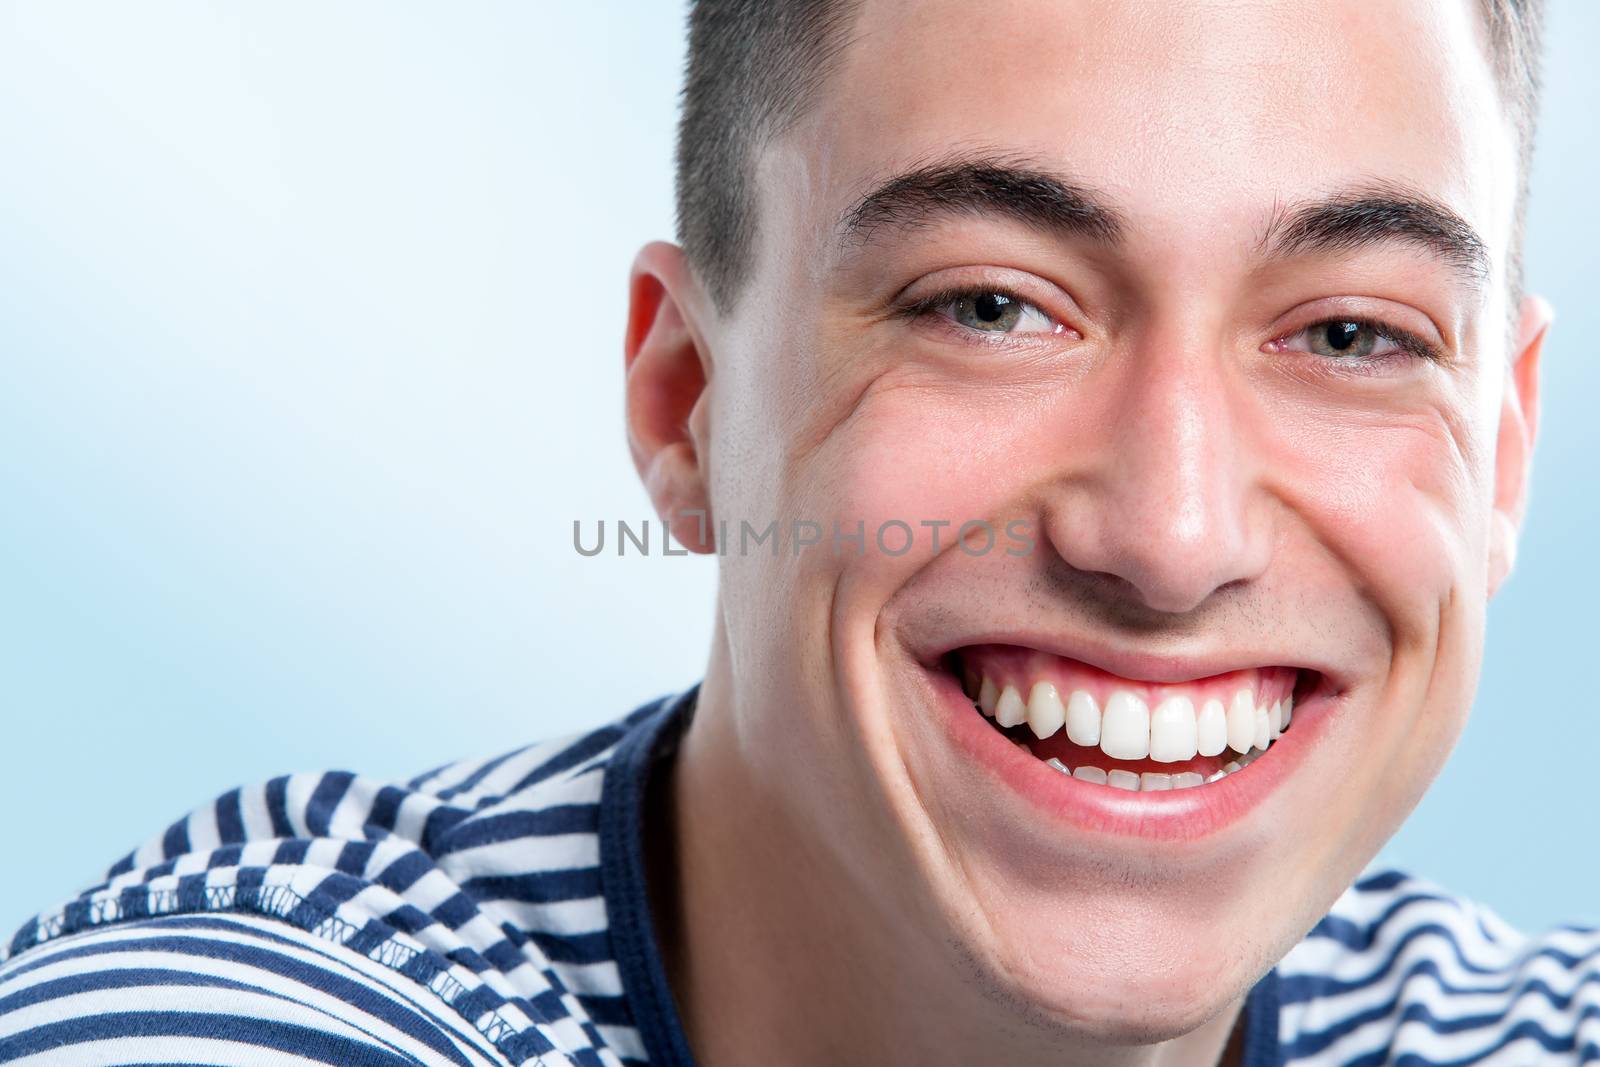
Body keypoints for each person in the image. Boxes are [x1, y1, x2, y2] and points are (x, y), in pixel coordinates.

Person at [0, 1, 1576, 1064]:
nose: (1169, 538)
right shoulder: (242, 1016)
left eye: (1356, 336)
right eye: (988, 306)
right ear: (686, 403)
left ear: (1502, 452)